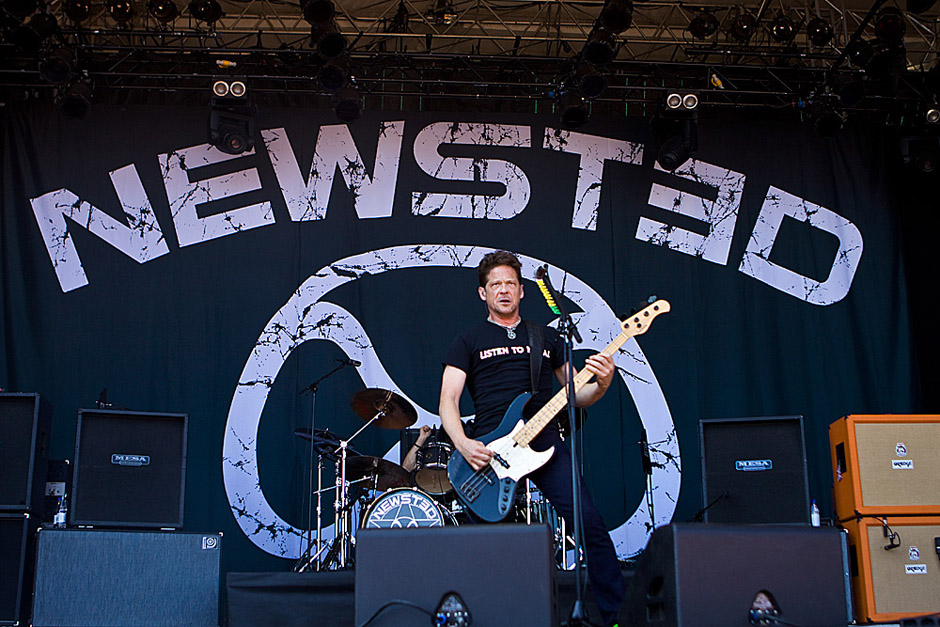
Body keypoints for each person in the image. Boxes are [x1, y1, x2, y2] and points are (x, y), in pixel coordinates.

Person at [439, 250, 624, 627]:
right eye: (495, 284)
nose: (503, 290)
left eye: (510, 283)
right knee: (485, 543)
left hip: (544, 442)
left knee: (588, 522)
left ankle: (616, 616)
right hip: (489, 451)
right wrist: (463, 443)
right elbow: (448, 400)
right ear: (483, 293)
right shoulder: (467, 340)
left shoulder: (546, 336)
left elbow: (576, 394)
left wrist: (603, 383)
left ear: (522, 290)